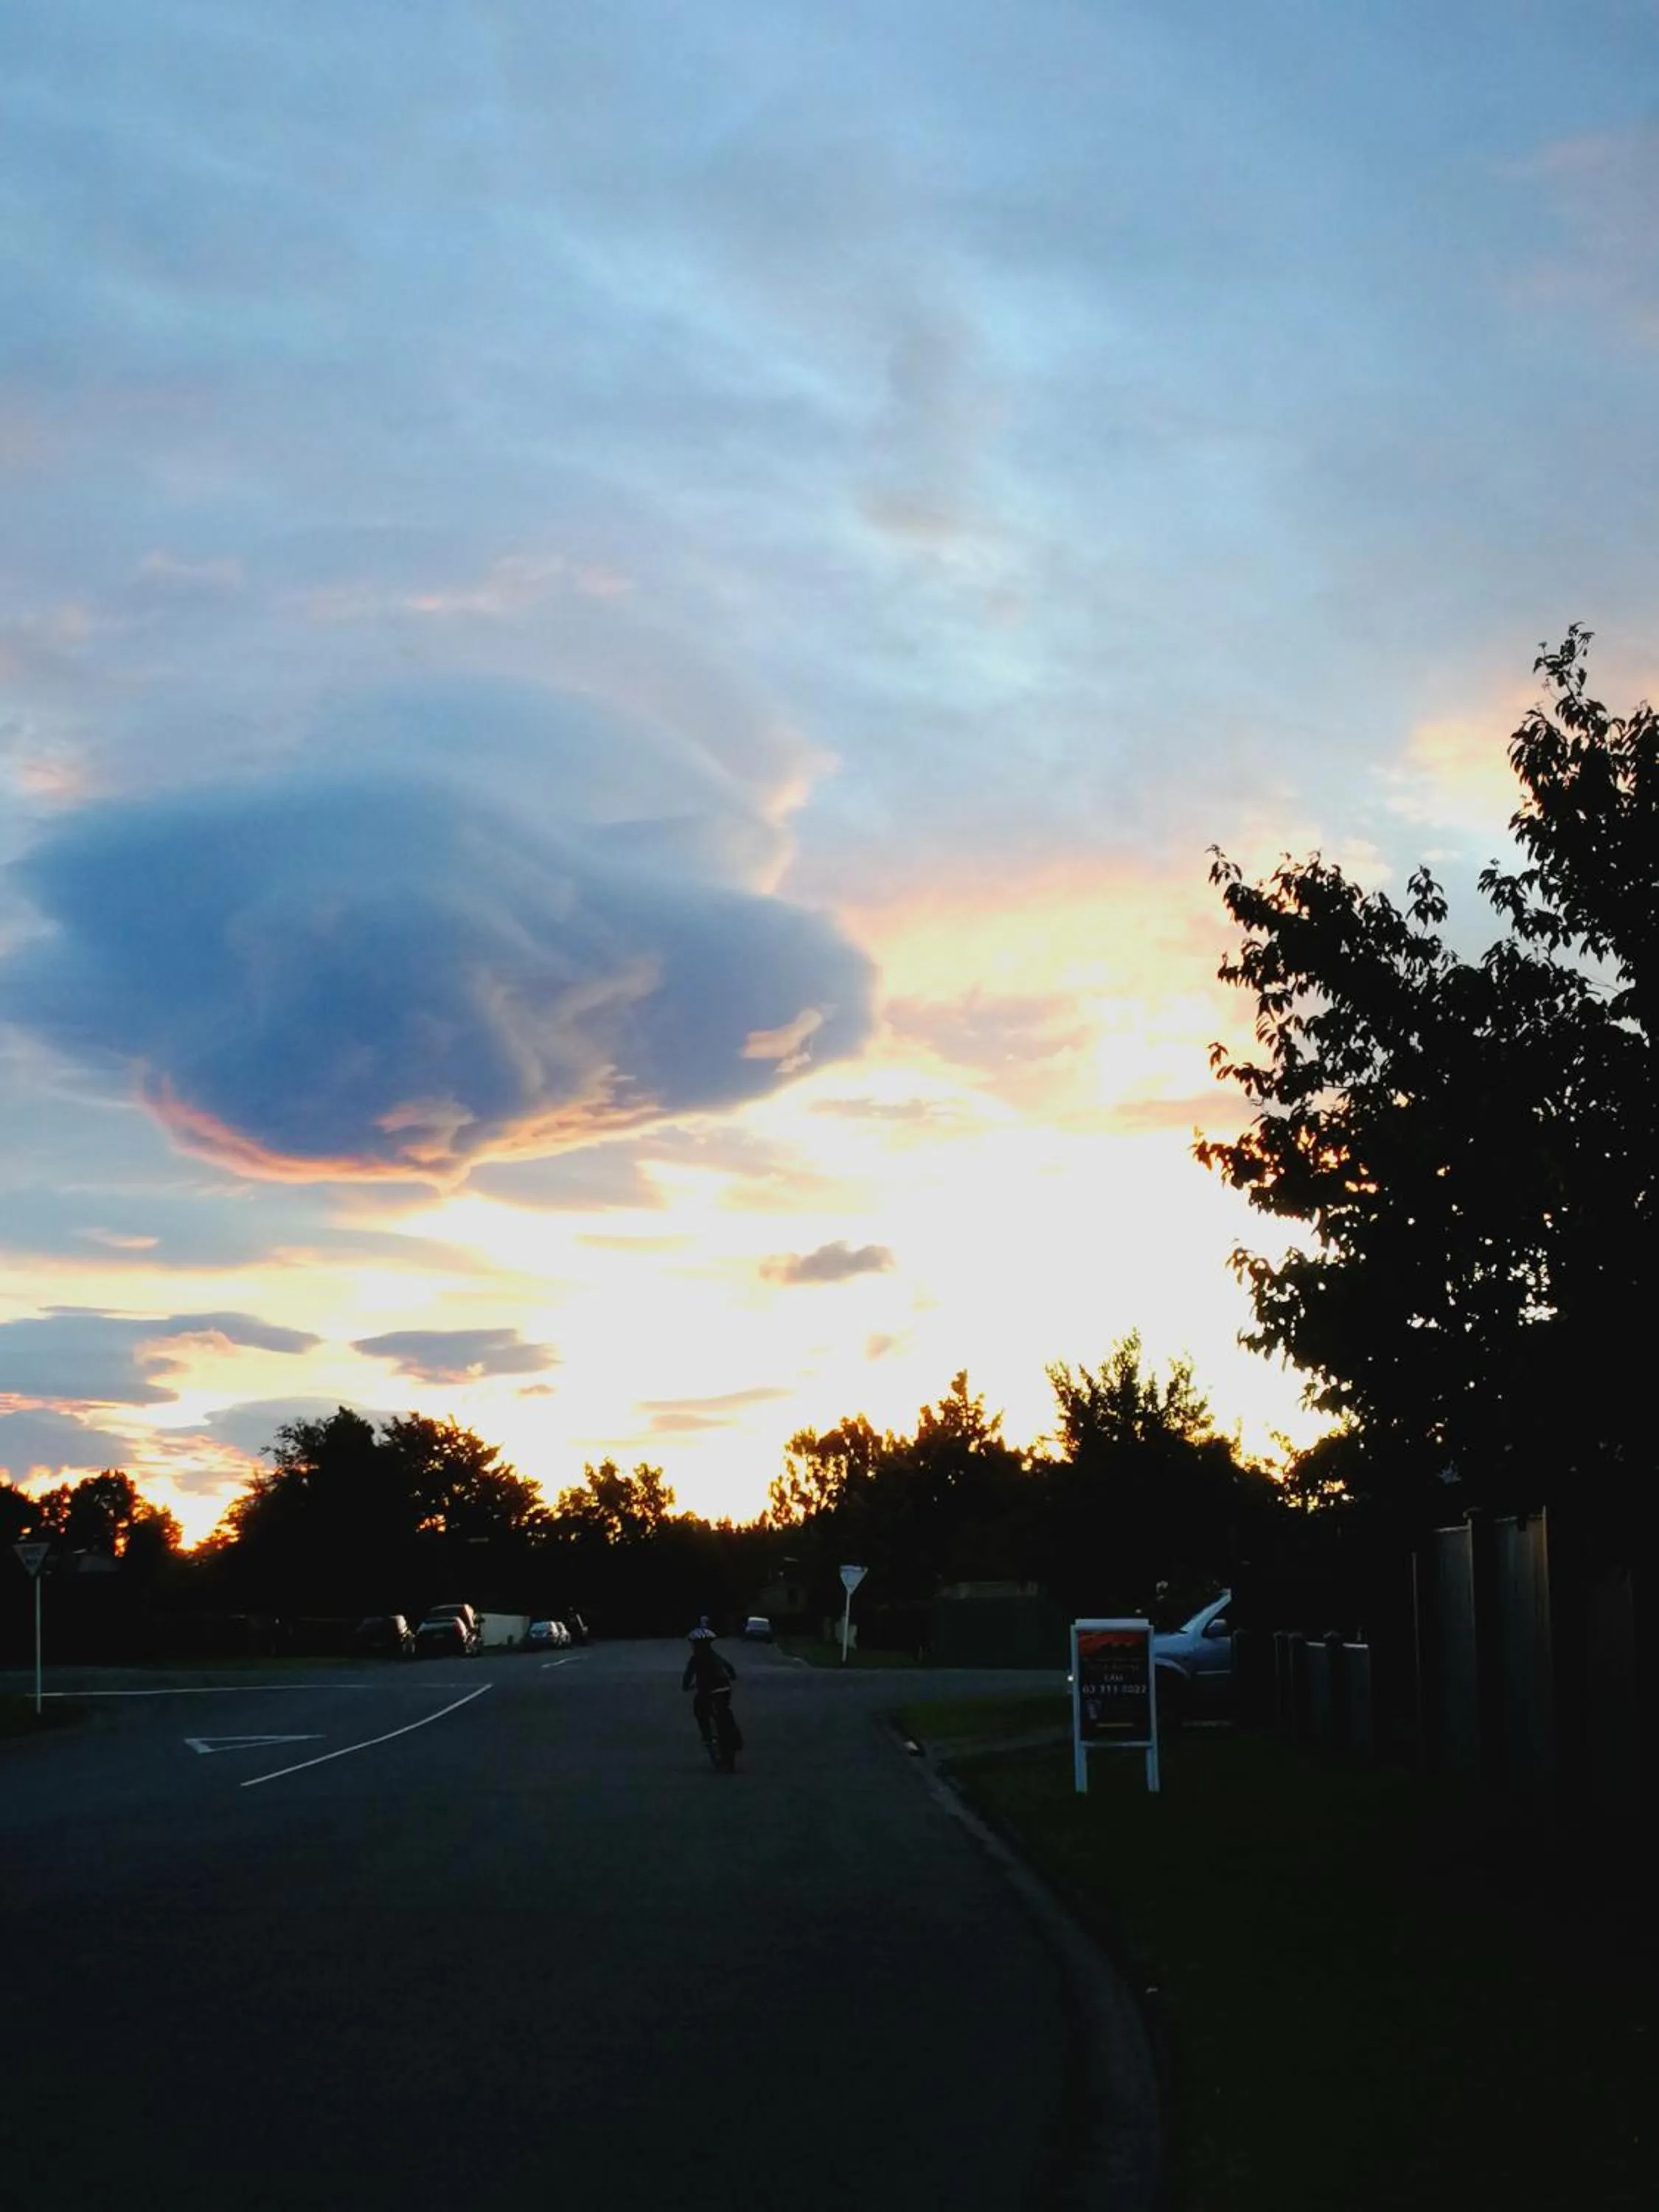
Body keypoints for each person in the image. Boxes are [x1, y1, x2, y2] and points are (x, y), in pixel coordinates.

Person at [682, 1622, 738, 1755]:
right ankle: (732, 1732)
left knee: (700, 1710)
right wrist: (732, 1676)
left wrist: (685, 1686)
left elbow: (688, 1675)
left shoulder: (695, 1659)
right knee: (724, 1707)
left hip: (707, 1690)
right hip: (724, 1688)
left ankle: (708, 1736)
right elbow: (729, 1668)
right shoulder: (715, 1656)